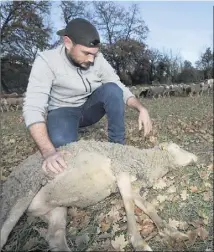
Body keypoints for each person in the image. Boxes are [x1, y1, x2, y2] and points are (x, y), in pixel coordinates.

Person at [23, 18, 153, 175]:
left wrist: (141, 108)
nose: (91, 59)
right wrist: (48, 152)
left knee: (112, 90)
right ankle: (65, 132)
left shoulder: (98, 60)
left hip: (88, 109)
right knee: (63, 149)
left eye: (94, 54)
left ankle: (119, 149)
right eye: (86, 53)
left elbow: (119, 87)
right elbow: (33, 107)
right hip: (62, 112)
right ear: (68, 43)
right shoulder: (47, 61)